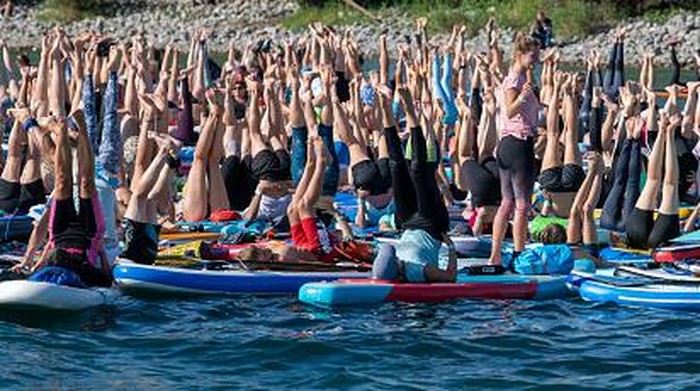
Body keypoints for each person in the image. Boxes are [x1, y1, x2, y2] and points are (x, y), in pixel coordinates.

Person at [371, 84, 456, 283]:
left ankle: (386, 108)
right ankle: (410, 111)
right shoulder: (417, 271)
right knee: (418, 170)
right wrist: (450, 246)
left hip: (406, 223)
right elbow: (450, 277)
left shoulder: (386, 265)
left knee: (396, 167)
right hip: (432, 224)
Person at [488, 33, 540, 266]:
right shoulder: (514, 81)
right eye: (533, 55)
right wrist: (524, 97)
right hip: (518, 145)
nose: (536, 59)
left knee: (507, 203)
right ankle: (519, 254)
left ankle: (496, 255)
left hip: (509, 145)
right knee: (521, 204)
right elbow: (509, 110)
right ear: (520, 55)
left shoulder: (517, 78)